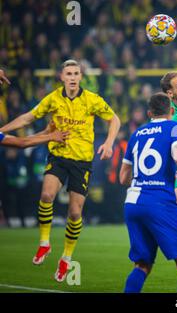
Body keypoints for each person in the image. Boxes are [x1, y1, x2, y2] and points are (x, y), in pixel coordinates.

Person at [0, 59, 121, 282]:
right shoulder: (53, 98)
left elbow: (114, 118)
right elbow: (28, 117)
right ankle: (44, 243)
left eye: (76, 73)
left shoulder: (92, 99)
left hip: (82, 163)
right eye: (69, 73)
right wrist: (2, 129)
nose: (73, 77)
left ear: (80, 77)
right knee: (46, 195)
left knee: (75, 213)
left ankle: (66, 257)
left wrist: (109, 142)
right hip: (58, 157)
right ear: (62, 77)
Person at [119, 93, 177, 293]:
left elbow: (122, 178)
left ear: (149, 113)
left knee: (143, 265)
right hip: (160, 203)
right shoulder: (175, 127)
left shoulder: (137, 133)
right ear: (171, 111)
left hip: (133, 203)